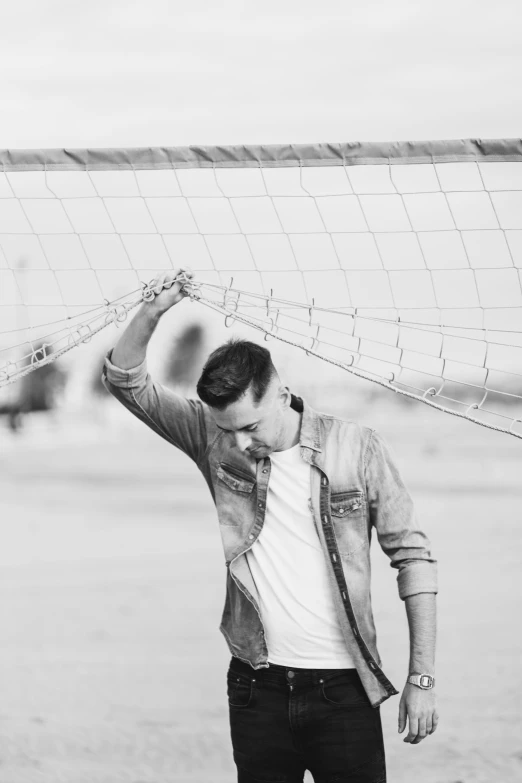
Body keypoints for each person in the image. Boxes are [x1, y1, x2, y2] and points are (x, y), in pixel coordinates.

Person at [102, 268, 439, 783]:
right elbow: (127, 381)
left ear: (281, 394)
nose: (237, 443)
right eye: (226, 430)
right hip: (256, 689)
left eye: (249, 426)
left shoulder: (356, 448)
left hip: (344, 692)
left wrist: (421, 677)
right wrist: (153, 310)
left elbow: (413, 558)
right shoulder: (209, 439)